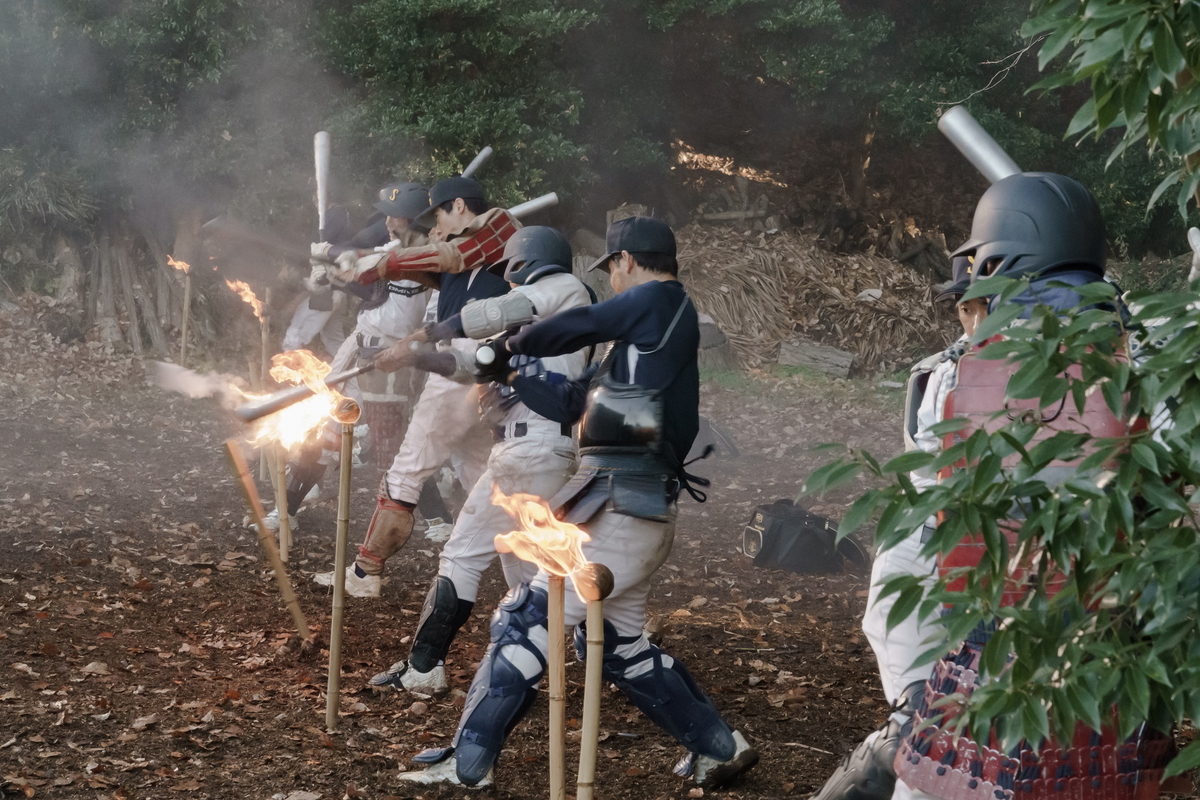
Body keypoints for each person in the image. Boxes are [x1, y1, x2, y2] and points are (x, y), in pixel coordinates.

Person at [394, 216, 758, 790]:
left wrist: (509, 342)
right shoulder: (642, 341)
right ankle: (719, 746)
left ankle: (467, 764)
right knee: (617, 645)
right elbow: (570, 402)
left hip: (621, 504)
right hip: (624, 503)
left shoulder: (659, 301)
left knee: (524, 621)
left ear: (627, 261)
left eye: (612, 267)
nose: (612, 278)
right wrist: (510, 371)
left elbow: (580, 322)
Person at [890, 173, 1173, 800]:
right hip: (1113, 672)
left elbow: (914, 547)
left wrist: (908, 689)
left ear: (994, 261)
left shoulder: (947, 380)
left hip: (989, 659)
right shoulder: (1156, 368)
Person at [366, 226, 591, 697]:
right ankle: (585, 651)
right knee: (525, 569)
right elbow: (470, 367)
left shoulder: (563, 291)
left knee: (461, 556)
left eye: (509, 274)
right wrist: (414, 359)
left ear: (524, 264)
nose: (507, 283)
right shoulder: (537, 324)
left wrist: (422, 335)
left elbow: (490, 312)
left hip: (530, 450)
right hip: (530, 450)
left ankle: (423, 668)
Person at [809, 256, 986, 800]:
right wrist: (915, 696)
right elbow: (911, 538)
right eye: (965, 307)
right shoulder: (940, 378)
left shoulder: (1104, 370)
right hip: (954, 658)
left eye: (984, 302)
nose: (973, 323)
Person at [313, 176, 512, 598]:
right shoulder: (462, 254)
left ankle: (365, 574)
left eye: (437, 214)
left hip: (471, 366)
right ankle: (530, 569)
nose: (434, 226)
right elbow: (439, 304)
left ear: (458, 205)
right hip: (467, 363)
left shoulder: (497, 228)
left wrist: (371, 261)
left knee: (406, 469)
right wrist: (345, 266)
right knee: (480, 470)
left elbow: (445, 258)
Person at [260, 183, 433, 535]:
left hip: (394, 357)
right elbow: (365, 273)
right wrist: (331, 271)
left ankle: (440, 520)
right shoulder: (393, 247)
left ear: (412, 221)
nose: (387, 221)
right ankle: (286, 510)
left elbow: (375, 262)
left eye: (394, 216)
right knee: (326, 430)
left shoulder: (428, 256)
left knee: (392, 447)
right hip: (359, 347)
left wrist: (333, 251)